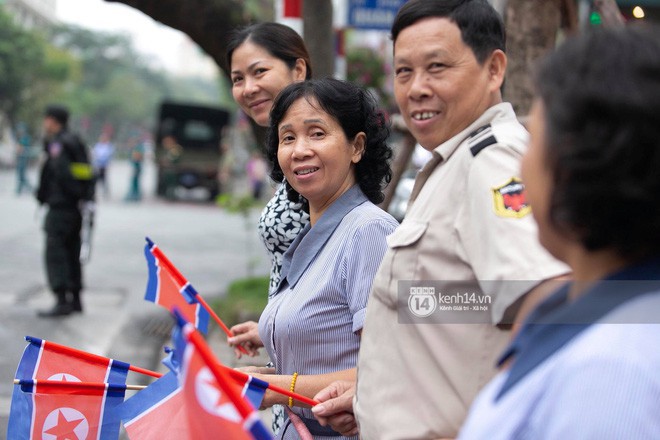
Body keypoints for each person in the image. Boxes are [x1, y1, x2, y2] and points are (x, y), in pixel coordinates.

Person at [312, 1, 569, 438]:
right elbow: (472, 306)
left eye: (437, 67)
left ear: (494, 69)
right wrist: (374, 397)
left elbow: (544, 302)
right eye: (404, 71)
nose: (416, 89)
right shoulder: (454, 160)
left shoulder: (491, 161)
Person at [458, 24, 660, 440]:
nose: (520, 165)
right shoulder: (592, 313)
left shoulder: (614, 373)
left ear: (575, 164)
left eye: (535, 138)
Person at [245, 78, 397, 439]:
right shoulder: (315, 236)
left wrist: (276, 388)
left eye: (317, 133)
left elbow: (386, 370)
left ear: (357, 146)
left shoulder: (369, 231)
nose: (299, 150)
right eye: (288, 138)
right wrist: (261, 376)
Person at [224, 21, 314, 434]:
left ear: (298, 70)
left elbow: (337, 274)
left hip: (323, 379)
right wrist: (272, 327)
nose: (248, 88)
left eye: (259, 72)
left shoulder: (314, 156)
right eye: (238, 79)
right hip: (290, 363)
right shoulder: (282, 151)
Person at [35, 105, 94, 317]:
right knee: (72, 250)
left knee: (56, 251)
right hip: (76, 208)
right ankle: (76, 299)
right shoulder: (76, 140)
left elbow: (60, 173)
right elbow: (86, 171)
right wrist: (83, 197)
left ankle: (62, 299)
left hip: (61, 207)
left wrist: (60, 196)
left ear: (52, 120)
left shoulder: (58, 144)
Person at [92, 132, 114, 199]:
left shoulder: (109, 146)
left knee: (104, 179)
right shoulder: (98, 146)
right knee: (97, 179)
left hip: (104, 165)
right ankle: (95, 192)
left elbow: (109, 156)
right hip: (98, 165)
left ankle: (105, 192)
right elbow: (95, 154)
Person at [14, 122, 33, 195]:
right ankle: (20, 189)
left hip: (23, 158)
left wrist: (19, 149)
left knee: (22, 174)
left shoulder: (25, 137)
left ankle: (27, 188)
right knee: (20, 174)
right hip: (20, 158)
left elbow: (21, 148)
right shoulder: (21, 137)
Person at [125, 135, 145, 202]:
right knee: (134, 181)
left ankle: (135, 195)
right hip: (135, 167)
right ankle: (134, 195)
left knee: (135, 182)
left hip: (137, 167)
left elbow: (138, 157)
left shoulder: (138, 148)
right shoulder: (135, 148)